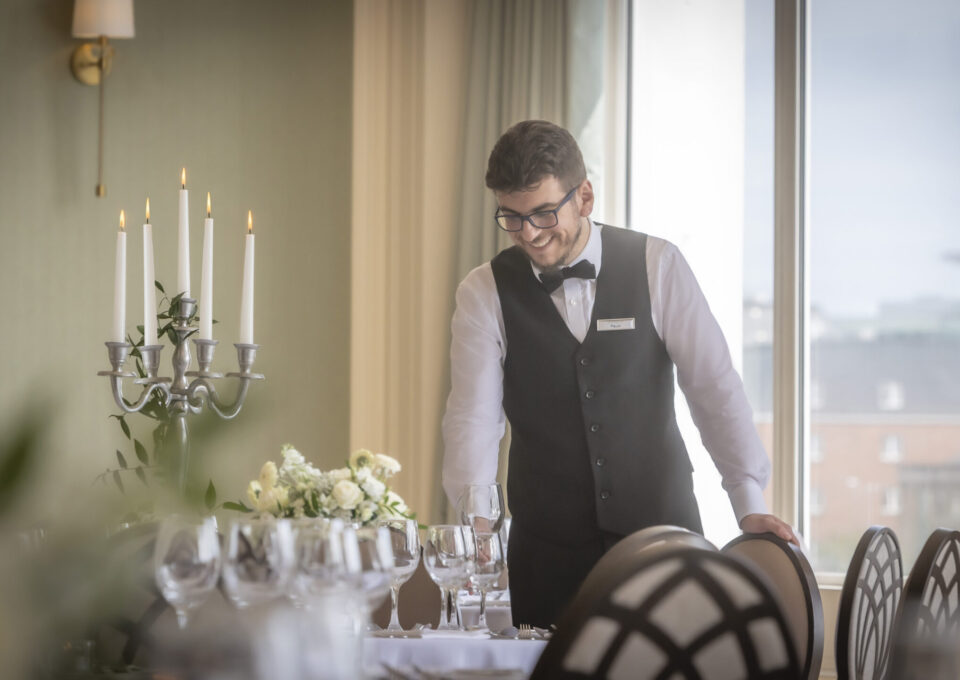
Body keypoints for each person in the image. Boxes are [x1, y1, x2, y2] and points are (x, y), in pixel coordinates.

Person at [441, 119, 797, 628]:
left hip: (664, 544)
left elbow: (714, 387)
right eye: (512, 218)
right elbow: (472, 419)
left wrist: (747, 501)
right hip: (546, 555)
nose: (531, 234)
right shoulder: (484, 291)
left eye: (544, 213)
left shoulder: (658, 264)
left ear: (584, 196)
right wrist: (477, 526)